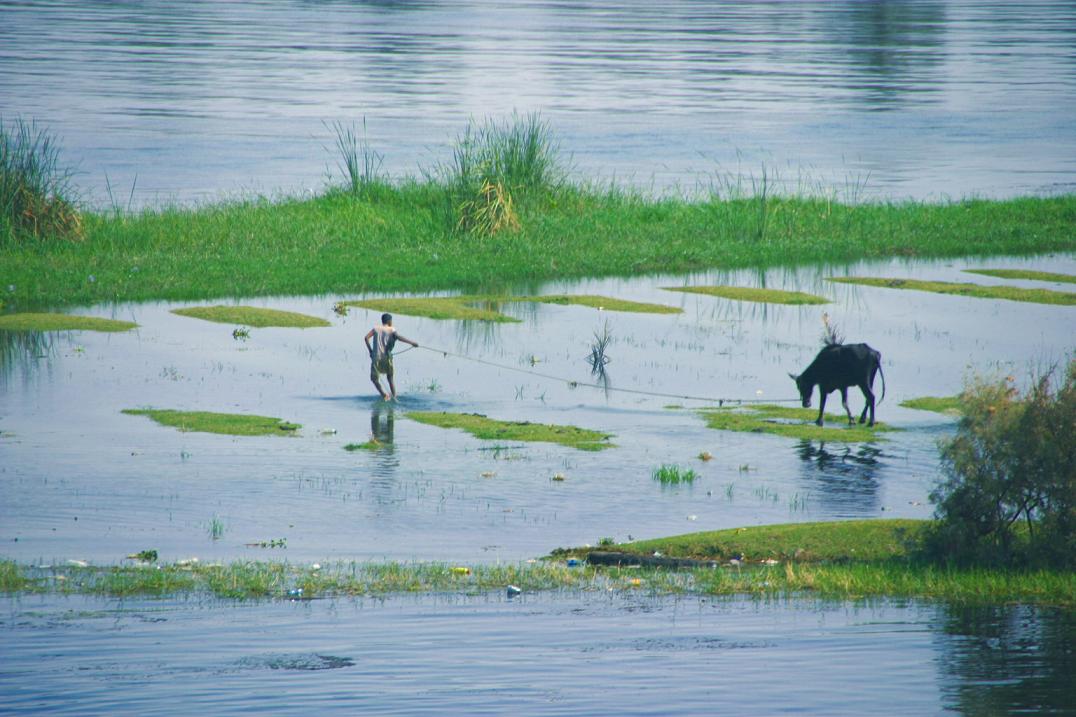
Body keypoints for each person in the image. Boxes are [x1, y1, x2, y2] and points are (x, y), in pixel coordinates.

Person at [364, 313, 418, 400]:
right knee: (390, 378)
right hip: (386, 357)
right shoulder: (391, 329)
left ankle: (384, 395)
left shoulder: (376, 329)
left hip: (375, 357)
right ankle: (394, 396)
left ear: (382, 321)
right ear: (389, 321)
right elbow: (398, 337)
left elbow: (366, 338)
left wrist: (371, 351)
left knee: (374, 379)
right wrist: (412, 343)